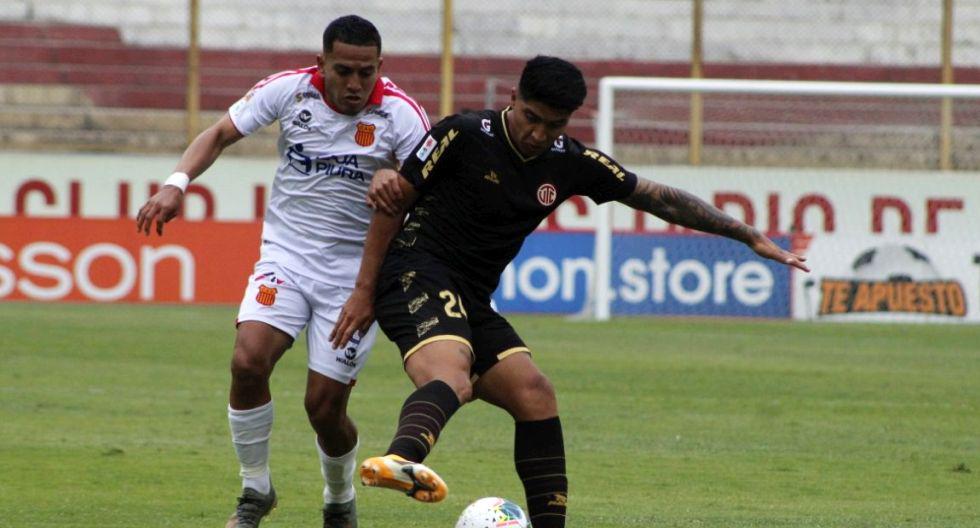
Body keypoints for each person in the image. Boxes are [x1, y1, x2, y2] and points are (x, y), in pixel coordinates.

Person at [329, 56, 809, 527]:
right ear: (513, 98)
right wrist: (364, 291)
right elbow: (392, 203)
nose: (538, 134)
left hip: (472, 295)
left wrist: (746, 233)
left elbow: (657, 198)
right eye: (531, 117)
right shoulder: (463, 134)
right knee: (453, 376)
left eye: (553, 125)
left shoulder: (570, 162)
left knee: (535, 394)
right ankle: (400, 459)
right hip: (416, 272)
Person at [136, 15, 429, 528]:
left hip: (355, 276)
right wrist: (176, 183)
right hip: (286, 258)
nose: (355, 83)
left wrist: (396, 185)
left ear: (380, 67)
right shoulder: (290, 91)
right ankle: (255, 491)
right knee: (248, 361)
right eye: (343, 71)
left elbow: (432, 194)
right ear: (321, 64)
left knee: (324, 408)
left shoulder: (402, 116)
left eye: (366, 72)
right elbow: (219, 133)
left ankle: (338, 497)